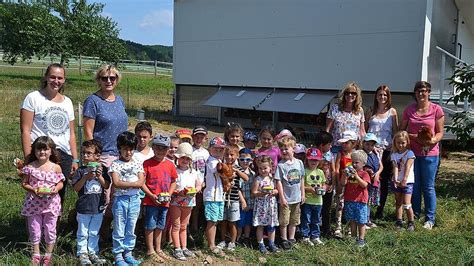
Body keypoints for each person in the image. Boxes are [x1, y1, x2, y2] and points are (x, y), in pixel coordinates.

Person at [20, 63, 78, 203]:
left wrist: (75, 158)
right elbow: (25, 130)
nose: (56, 81)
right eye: (52, 77)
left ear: (64, 80)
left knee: (58, 195)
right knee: (37, 192)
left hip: (63, 155)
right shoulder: (33, 98)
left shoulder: (67, 102)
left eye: (60, 78)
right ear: (46, 77)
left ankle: (54, 225)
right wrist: (28, 157)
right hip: (41, 153)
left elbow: (71, 133)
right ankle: (35, 224)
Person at [83, 65, 127, 239]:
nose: (109, 81)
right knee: (105, 197)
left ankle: (111, 234)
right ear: (98, 80)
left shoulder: (120, 100)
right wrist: (93, 159)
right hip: (104, 155)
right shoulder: (92, 101)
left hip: (121, 156)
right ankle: (98, 235)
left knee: (118, 197)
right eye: (104, 78)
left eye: (112, 78)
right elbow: (88, 133)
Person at [400, 81, 444, 230]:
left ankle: (430, 218)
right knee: (415, 185)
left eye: (424, 91)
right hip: (412, 153)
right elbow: (402, 131)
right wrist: (415, 138)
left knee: (428, 186)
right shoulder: (409, 110)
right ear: (415, 93)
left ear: (429, 92)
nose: (421, 93)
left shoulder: (436, 109)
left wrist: (432, 140)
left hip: (430, 153)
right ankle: (416, 214)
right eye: (418, 91)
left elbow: (440, 132)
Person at [20, 136, 65, 266]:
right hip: (33, 203)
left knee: (50, 228)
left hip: (51, 204)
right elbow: (24, 183)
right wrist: (34, 189)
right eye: (39, 149)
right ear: (34, 151)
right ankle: (36, 253)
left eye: (46, 149)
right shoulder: (30, 167)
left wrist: (55, 189)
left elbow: (61, 183)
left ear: (51, 151)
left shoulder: (56, 167)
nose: (42, 152)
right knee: (34, 228)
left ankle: (48, 254)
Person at [108, 132, 145, 266]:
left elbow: (141, 182)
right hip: (120, 200)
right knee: (119, 227)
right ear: (120, 148)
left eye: (131, 149)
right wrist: (134, 184)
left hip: (134, 200)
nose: (128, 152)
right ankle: (118, 255)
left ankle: (128, 253)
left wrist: (130, 184)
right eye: (125, 149)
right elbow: (116, 183)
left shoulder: (138, 163)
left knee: (131, 227)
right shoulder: (115, 164)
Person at [72, 140, 110, 265]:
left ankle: (93, 251)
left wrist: (99, 176)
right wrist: (85, 177)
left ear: (97, 156)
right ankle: (82, 253)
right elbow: (76, 188)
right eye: (83, 153)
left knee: (94, 231)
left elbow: (106, 185)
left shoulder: (103, 169)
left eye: (89, 153)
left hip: (98, 207)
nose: (85, 156)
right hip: (84, 208)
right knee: (83, 232)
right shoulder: (81, 171)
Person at [142, 134, 177, 263]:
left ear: (168, 149)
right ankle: (150, 250)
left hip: (164, 202)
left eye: (164, 148)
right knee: (150, 226)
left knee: (160, 226)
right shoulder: (147, 163)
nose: (161, 150)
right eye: (158, 147)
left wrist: (169, 193)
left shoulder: (170, 164)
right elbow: (142, 182)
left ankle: (158, 248)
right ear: (153, 147)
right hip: (151, 201)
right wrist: (151, 195)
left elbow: (174, 181)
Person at [365, 85, 398, 220]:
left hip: (386, 150)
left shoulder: (392, 112)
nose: (382, 97)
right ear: (376, 96)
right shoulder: (370, 111)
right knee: (369, 177)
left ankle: (380, 208)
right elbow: (365, 129)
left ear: (388, 97)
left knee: (383, 180)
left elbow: (395, 131)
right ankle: (366, 208)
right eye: (380, 94)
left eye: (385, 95)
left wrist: (395, 148)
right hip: (371, 150)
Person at [169, 142, 201, 260]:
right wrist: (178, 192)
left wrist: (196, 189)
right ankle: (177, 248)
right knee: (176, 225)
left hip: (189, 201)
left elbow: (199, 184)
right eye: (183, 157)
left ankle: (184, 247)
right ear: (178, 157)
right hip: (175, 201)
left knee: (184, 225)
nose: (185, 160)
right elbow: (170, 186)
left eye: (188, 158)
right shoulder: (174, 170)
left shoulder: (193, 172)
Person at [275, 136, 305, 250]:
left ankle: (291, 238)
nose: (284, 151)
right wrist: (282, 198)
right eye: (281, 149)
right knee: (284, 220)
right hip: (286, 199)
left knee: (294, 220)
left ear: (293, 148)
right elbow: (279, 182)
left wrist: (302, 194)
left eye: (286, 148)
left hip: (296, 198)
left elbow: (301, 178)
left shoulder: (299, 163)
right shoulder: (281, 165)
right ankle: (284, 239)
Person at [217, 144, 249, 251]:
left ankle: (232, 242)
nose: (229, 157)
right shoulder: (222, 166)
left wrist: (237, 172)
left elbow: (246, 178)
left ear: (237, 156)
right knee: (223, 221)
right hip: (223, 198)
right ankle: (222, 240)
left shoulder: (238, 167)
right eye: (227, 155)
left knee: (232, 222)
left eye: (232, 155)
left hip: (234, 199)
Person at [341, 150, 371, 248]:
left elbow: (364, 185)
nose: (354, 164)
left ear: (363, 163)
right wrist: (344, 175)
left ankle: (361, 239)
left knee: (361, 221)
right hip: (349, 199)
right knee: (352, 220)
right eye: (352, 162)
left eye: (356, 162)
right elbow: (343, 183)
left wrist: (357, 176)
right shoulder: (349, 172)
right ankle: (354, 237)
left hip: (360, 201)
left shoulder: (364, 174)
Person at [326, 82, 366, 154]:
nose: (350, 95)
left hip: (353, 149)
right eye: (347, 93)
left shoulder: (360, 110)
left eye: (353, 93)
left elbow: (362, 131)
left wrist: (367, 144)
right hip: (336, 147)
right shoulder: (335, 108)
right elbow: (328, 129)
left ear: (357, 96)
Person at [251, 155, 279, 254]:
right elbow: (253, 192)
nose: (263, 170)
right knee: (260, 225)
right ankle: (261, 244)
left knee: (271, 225)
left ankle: (271, 243)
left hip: (271, 205)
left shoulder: (272, 178)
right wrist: (262, 193)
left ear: (270, 167)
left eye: (265, 168)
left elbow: (277, 190)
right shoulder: (258, 179)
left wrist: (274, 192)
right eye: (260, 168)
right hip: (261, 206)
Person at [203, 137, 226, 255]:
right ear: (210, 149)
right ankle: (211, 245)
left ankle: (213, 243)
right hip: (211, 196)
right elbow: (220, 171)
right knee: (211, 221)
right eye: (215, 149)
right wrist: (229, 171)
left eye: (221, 150)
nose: (218, 151)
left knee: (215, 221)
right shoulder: (212, 161)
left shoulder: (219, 160)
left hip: (218, 196)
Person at [391, 131, 416, 231]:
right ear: (395, 143)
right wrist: (396, 179)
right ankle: (399, 221)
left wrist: (404, 180)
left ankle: (411, 222)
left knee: (407, 203)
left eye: (403, 143)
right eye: (398, 143)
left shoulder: (410, 153)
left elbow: (408, 166)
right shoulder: (394, 154)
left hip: (407, 181)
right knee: (398, 202)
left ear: (407, 142)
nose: (400, 145)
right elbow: (395, 167)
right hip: (398, 181)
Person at [300, 148, 325, 246]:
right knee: (306, 219)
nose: (313, 162)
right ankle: (305, 236)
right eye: (311, 159)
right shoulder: (305, 171)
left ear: (319, 161)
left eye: (316, 160)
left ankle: (315, 236)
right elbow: (301, 185)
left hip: (318, 201)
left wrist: (323, 189)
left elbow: (323, 184)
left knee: (316, 220)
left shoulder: (320, 172)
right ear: (307, 160)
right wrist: (309, 189)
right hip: (307, 200)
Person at [314, 131, 335, 237]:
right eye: (329, 144)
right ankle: (314, 229)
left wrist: (333, 183)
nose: (330, 146)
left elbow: (333, 170)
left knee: (326, 209)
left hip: (328, 186)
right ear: (322, 145)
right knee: (315, 208)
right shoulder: (313, 154)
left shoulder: (330, 154)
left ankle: (326, 229)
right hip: (316, 187)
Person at [190, 125, 209, 235]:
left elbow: (207, 170)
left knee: (198, 206)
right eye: (197, 136)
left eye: (201, 137)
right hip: (191, 183)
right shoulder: (190, 150)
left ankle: (195, 227)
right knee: (189, 207)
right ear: (193, 137)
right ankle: (187, 228)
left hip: (202, 183)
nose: (199, 139)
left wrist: (203, 183)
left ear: (205, 138)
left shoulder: (206, 153)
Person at [361, 133, 383, 228]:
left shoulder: (375, 154)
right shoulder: (361, 154)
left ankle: (367, 219)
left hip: (374, 181)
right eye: (367, 144)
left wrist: (377, 174)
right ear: (363, 143)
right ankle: (363, 220)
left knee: (369, 200)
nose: (370, 147)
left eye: (372, 145)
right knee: (364, 200)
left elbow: (381, 166)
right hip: (365, 181)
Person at [236, 148, 256, 247]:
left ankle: (246, 238)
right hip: (241, 202)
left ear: (251, 160)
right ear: (238, 160)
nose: (245, 162)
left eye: (247, 160)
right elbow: (237, 188)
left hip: (251, 202)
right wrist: (243, 201)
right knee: (240, 222)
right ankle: (238, 237)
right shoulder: (237, 172)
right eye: (242, 159)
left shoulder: (253, 174)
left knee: (248, 221)